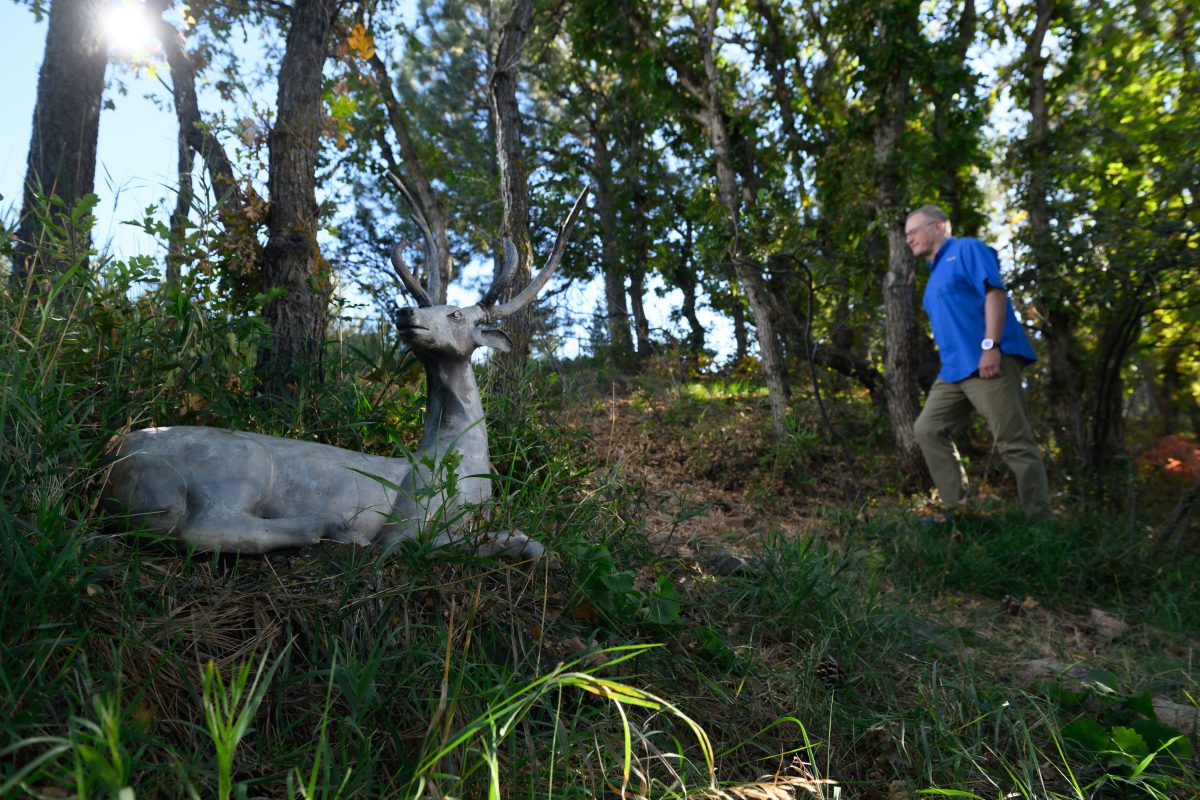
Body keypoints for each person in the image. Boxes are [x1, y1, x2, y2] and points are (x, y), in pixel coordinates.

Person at [905, 205, 1052, 519]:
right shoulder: (931, 281)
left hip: (988, 362)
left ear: (938, 226)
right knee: (927, 429)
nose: (908, 239)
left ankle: (1041, 524)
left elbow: (995, 293)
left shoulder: (966, 249)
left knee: (1014, 443)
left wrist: (990, 346)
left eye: (913, 231)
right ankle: (960, 514)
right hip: (953, 372)